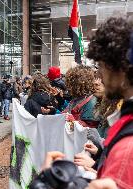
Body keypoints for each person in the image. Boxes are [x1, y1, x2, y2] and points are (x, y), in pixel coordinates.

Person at [44, 16, 133, 189]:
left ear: (120, 70)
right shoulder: (124, 120)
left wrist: (51, 183)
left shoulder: (128, 147)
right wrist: (99, 158)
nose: (98, 76)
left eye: (100, 66)